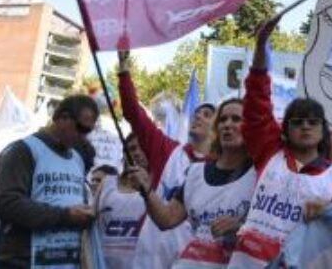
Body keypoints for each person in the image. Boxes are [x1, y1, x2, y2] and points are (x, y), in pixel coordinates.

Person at [231, 17, 332, 267]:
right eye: (297, 122)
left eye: (313, 122)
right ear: (284, 130)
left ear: (323, 131)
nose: (306, 126)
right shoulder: (269, 152)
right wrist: (261, 45)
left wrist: (329, 212)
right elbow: (256, 100)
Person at [118, 50, 216, 269]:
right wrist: (124, 70)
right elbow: (135, 114)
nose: (198, 116)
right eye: (197, 113)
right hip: (147, 259)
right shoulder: (168, 150)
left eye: (208, 115)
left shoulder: (222, 170)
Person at [133, 98, 255, 269]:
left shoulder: (260, 175)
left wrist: (241, 228)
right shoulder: (196, 173)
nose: (228, 124)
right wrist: (147, 192)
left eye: (236, 119)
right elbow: (167, 219)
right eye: (222, 120)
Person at [0, 94, 102, 268]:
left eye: (89, 131)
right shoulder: (23, 150)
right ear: (63, 117)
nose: (84, 136)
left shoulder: (77, 159)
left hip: (64, 261)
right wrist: (65, 216)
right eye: (81, 128)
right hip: (22, 262)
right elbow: (6, 204)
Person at [95, 134, 149, 269]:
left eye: (143, 147)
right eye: (132, 149)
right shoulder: (107, 183)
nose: (137, 153)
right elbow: (93, 223)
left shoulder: (160, 186)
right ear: (124, 154)